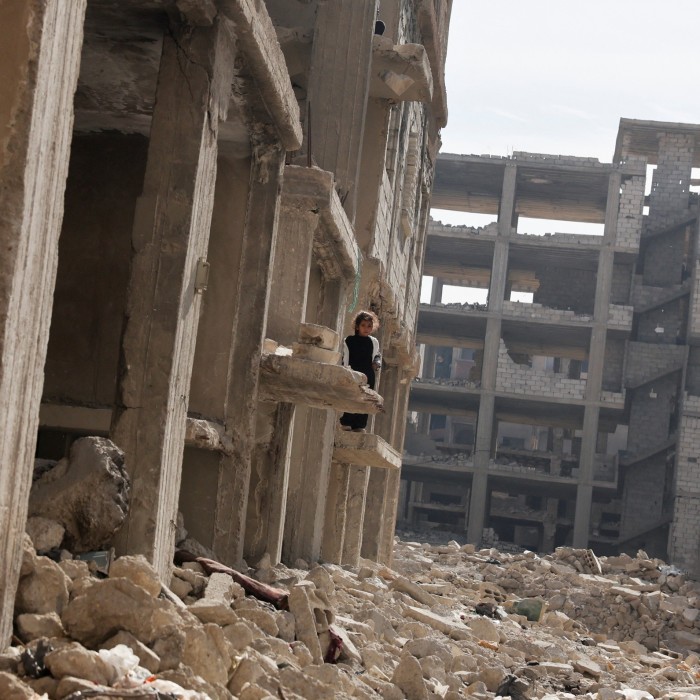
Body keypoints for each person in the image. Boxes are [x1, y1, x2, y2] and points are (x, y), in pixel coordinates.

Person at [340, 310, 381, 432]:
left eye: (369, 326)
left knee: (366, 399)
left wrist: (377, 363)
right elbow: (345, 357)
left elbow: (377, 356)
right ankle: (347, 422)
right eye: (363, 325)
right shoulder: (349, 341)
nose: (366, 328)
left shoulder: (373, 341)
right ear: (357, 326)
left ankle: (360, 425)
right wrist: (346, 372)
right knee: (352, 396)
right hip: (354, 374)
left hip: (368, 375)